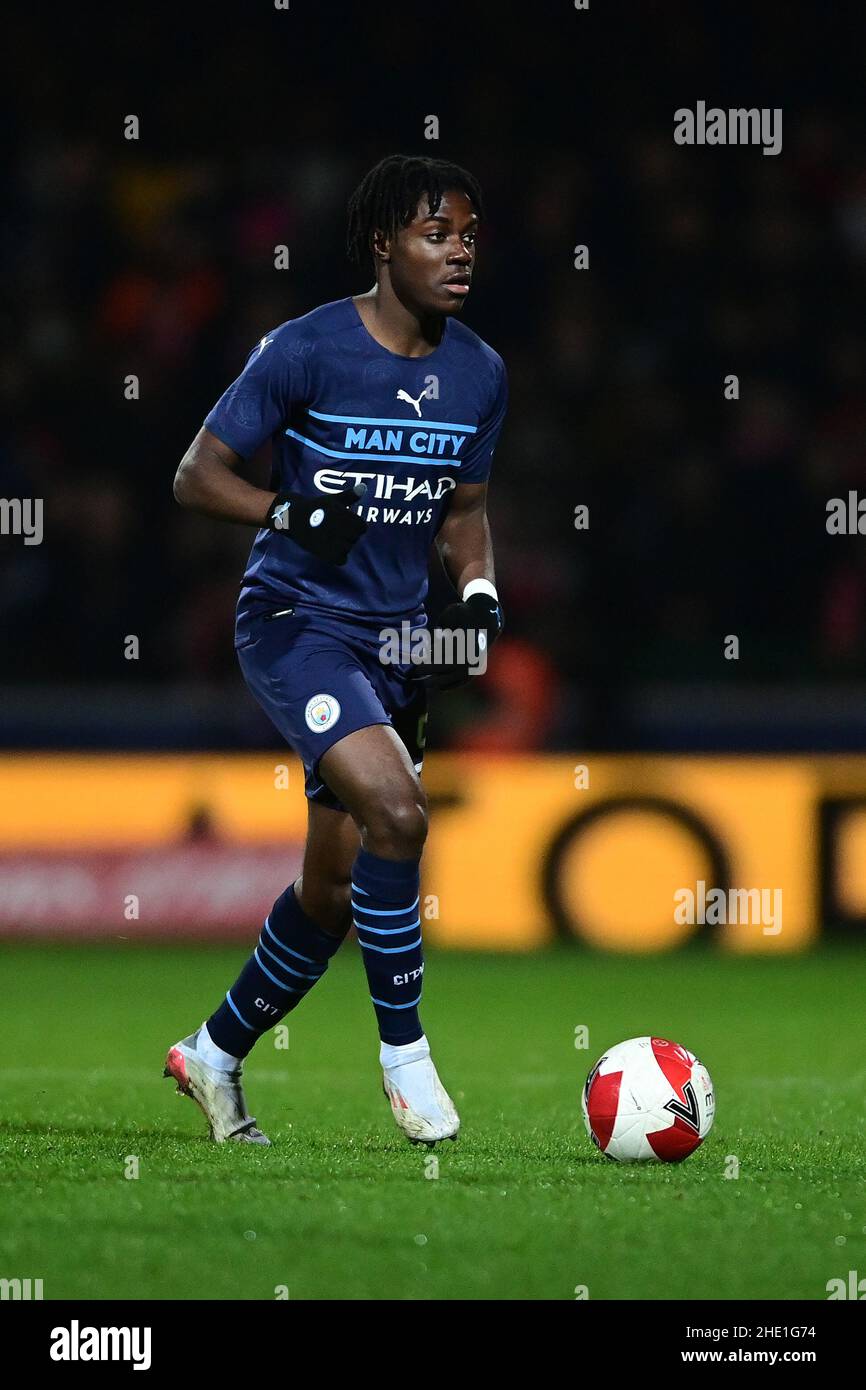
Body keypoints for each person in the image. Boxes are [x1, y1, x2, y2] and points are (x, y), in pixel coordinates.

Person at [165, 154, 508, 1146]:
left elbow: (469, 511)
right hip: (296, 623)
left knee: (329, 890)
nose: (457, 253)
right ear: (380, 243)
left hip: (399, 640)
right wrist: (287, 508)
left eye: (467, 236)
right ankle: (405, 1060)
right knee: (398, 814)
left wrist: (476, 595)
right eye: (435, 234)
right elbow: (195, 476)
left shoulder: (478, 371)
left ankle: (213, 1053)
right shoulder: (304, 350)